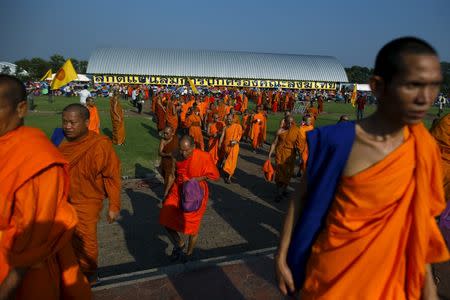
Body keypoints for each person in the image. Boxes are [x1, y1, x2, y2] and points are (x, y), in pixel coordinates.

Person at [275, 37, 449, 299]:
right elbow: (299, 199)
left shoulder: (422, 148)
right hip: (333, 278)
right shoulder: (338, 141)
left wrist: (429, 292)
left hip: (392, 280)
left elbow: (419, 227)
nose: (425, 98)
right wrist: (282, 256)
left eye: (432, 86)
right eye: (413, 85)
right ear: (378, 87)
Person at [0, 75, 91, 299]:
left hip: (21, 274)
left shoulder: (37, 160)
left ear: (21, 109)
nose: (68, 126)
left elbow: (33, 242)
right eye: (65, 122)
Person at [59, 104, 121, 284]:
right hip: (63, 199)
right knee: (64, 240)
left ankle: (90, 273)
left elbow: (112, 176)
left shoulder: (100, 144)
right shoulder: (61, 141)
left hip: (88, 201)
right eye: (65, 122)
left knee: (86, 240)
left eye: (72, 122)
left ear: (87, 122)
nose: (67, 126)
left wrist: (114, 205)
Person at [159, 135, 219, 262]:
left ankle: (189, 254)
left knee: (193, 225)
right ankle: (180, 244)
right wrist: (165, 195)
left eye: (187, 150)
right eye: (181, 149)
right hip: (178, 189)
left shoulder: (203, 156)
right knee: (165, 216)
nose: (183, 153)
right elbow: (171, 175)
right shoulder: (176, 154)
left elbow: (213, 175)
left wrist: (196, 179)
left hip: (195, 191)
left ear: (193, 147)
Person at [268, 115, 303, 202]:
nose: (290, 124)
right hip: (280, 154)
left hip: (290, 156)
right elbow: (274, 143)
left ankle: (283, 190)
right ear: (285, 122)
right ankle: (279, 193)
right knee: (279, 174)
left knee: (288, 174)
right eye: (288, 122)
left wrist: (301, 157)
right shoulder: (280, 131)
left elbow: (299, 145)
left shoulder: (296, 131)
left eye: (292, 122)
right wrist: (269, 154)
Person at [219, 115, 243, 184]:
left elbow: (239, 135)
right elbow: (222, 136)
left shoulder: (237, 126)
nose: (229, 120)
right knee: (227, 160)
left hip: (234, 146)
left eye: (230, 119)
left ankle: (229, 177)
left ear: (233, 119)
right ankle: (226, 171)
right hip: (226, 146)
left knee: (232, 162)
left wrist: (236, 141)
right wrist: (220, 144)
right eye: (228, 119)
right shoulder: (225, 127)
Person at [159, 126, 179, 198]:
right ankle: (167, 193)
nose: (165, 135)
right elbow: (160, 152)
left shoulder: (176, 139)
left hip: (174, 163)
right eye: (164, 133)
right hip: (166, 162)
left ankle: (169, 195)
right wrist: (168, 154)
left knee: (172, 179)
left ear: (172, 133)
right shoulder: (163, 141)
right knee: (166, 180)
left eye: (167, 133)